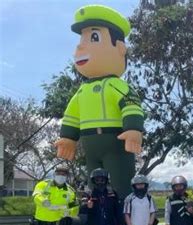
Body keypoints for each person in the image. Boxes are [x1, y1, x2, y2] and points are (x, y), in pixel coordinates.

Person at [55, 5, 144, 198]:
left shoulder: (116, 85)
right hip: (90, 145)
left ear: (120, 49)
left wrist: (133, 128)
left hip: (115, 143)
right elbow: (72, 115)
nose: (80, 46)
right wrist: (68, 137)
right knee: (93, 184)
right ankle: (95, 215)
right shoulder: (82, 90)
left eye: (93, 37)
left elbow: (131, 104)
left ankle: (122, 219)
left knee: (121, 183)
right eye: (82, 39)